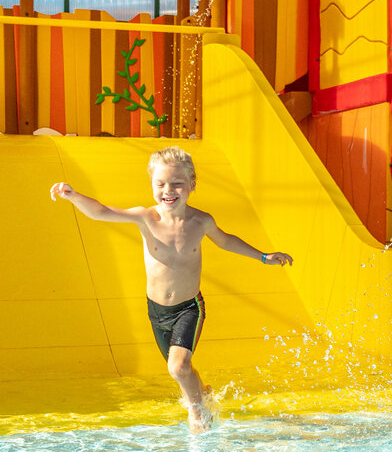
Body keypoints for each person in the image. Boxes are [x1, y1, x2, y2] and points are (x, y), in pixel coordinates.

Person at [49, 146, 293, 433]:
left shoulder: (201, 221)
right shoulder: (145, 218)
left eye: (177, 183)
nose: (168, 190)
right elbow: (101, 212)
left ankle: (198, 415)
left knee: (178, 368)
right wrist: (73, 196)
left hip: (189, 308)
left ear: (191, 185)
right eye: (161, 183)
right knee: (182, 371)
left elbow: (226, 241)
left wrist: (263, 256)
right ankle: (204, 396)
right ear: (152, 185)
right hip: (156, 312)